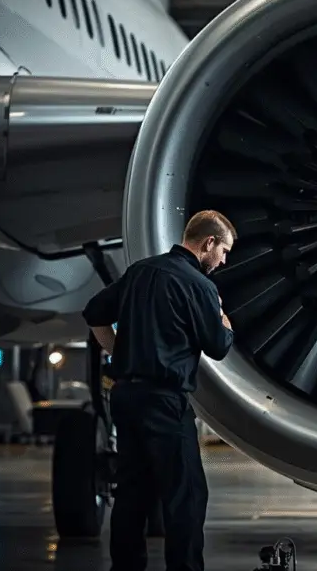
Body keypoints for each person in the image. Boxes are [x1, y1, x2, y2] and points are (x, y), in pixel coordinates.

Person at [81, 209, 237, 571]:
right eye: (224, 251)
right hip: (165, 403)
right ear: (208, 243)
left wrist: (119, 351)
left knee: (132, 494)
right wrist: (224, 322)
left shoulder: (140, 271)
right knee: (186, 497)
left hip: (125, 397)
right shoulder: (200, 286)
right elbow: (217, 347)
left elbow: (93, 313)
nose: (223, 260)